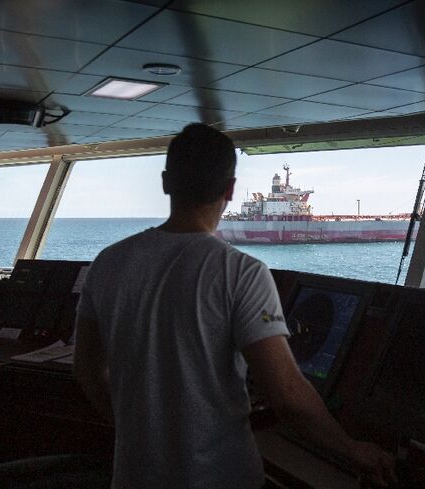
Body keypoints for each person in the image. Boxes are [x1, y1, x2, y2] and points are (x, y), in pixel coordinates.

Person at [74, 123, 396, 489]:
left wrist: (138, 430)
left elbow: (85, 369)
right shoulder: (241, 272)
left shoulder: (106, 263)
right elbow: (286, 394)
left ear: (166, 182)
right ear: (230, 189)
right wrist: (352, 449)